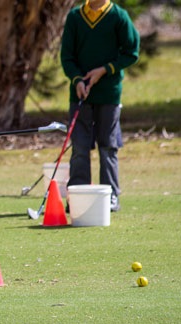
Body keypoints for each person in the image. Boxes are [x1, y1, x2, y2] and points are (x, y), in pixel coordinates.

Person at [60, 0, 140, 212]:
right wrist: (77, 79)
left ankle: (111, 195)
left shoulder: (119, 17)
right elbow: (67, 57)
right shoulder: (75, 17)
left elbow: (131, 52)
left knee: (107, 146)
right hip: (80, 94)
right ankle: (77, 196)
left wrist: (104, 70)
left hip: (109, 94)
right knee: (80, 147)